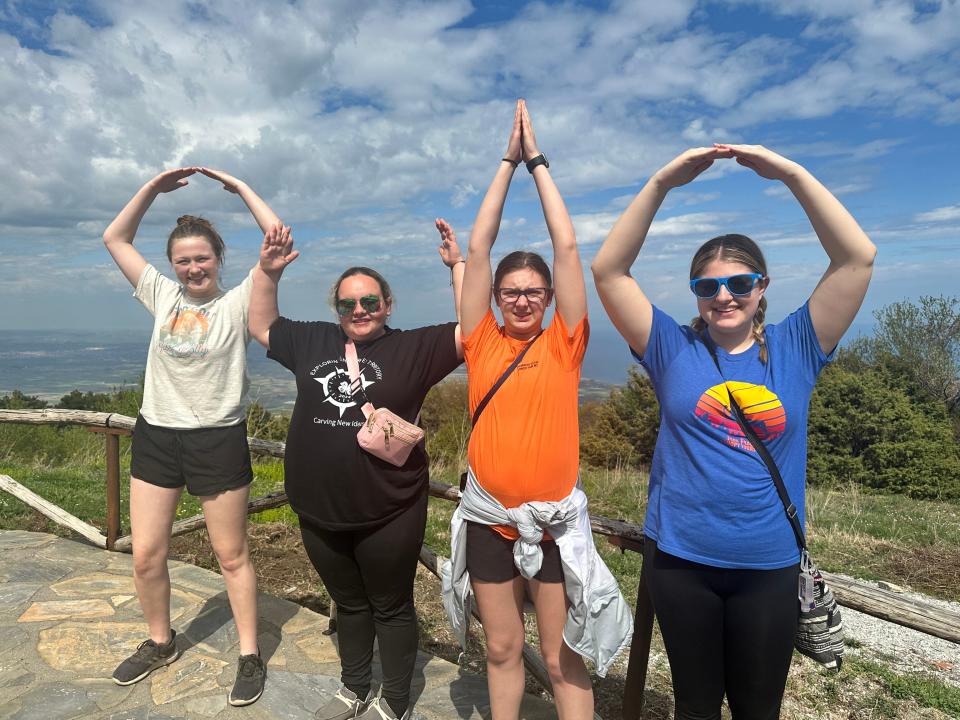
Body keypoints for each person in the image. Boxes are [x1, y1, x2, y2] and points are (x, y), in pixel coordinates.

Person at [591, 144, 877, 719]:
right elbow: (608, 270)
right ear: (696, 292)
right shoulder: (671, 347)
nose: (724, 295)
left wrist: (792, 173)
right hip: (681, 561)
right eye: (708, 286)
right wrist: (660, 182)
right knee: (694, 706)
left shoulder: (798, 347)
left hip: (768, 565)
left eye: (740, 283)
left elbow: (857, 259)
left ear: (763, 286)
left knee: (757, 709)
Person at [442, 99, 632, 720]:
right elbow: (479, 242)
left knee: (560, 658)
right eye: (511, 292)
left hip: (552, 526)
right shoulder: (482, 340)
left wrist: (538, 162)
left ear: (549, 297)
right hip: (489, 520)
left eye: (533, 292)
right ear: (494, 296)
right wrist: (505, 161)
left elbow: (568, 244)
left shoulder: (565, 342)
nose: (522, 300)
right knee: (501, 649)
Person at [248, 219, 464, 720]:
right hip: (318, 507)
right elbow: (260, 323)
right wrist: (268, 272)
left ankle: (394, 699)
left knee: (390, 605)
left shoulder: (414, 347)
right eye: (348, 304)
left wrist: (459, 268)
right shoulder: (312, 341)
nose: (360, 311)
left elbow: (471, 330)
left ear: (387, 306)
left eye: (370, 302)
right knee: (348, 602)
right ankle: (353, 686)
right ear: (337, 309)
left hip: (389, 507)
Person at [103, 166, 283, 706]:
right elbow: (115, 237)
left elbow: (277, 237)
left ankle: (249, 655)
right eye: (183, 259)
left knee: (231, 556)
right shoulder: (161, 294)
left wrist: (243, 188)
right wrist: (152, 190)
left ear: (218, 259)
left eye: (202, 257)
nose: (193, 267)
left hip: (216, 438)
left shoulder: (239, 298)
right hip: (158, 434)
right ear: (172, 265)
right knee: (145, 554)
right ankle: (162, 641)